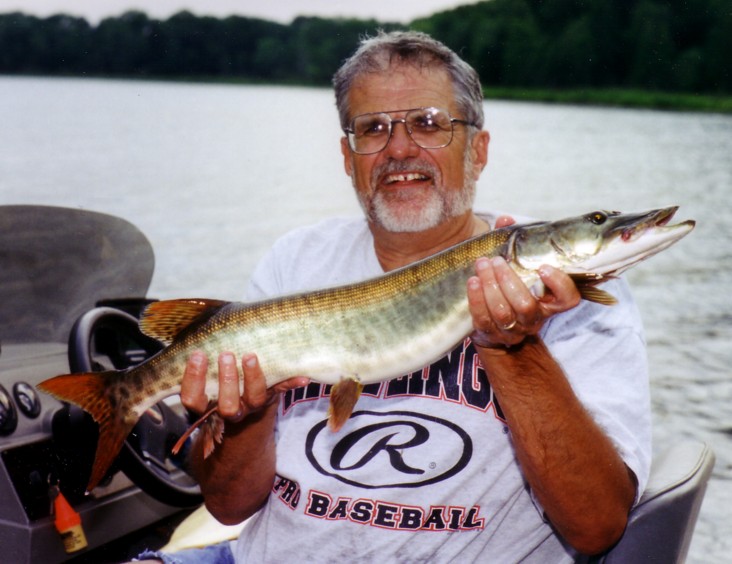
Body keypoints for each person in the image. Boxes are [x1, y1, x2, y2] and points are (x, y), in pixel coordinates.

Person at [137, 30, 651, 563]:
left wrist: (515, 351)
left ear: (478, 148)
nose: (399, 148)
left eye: (428, 123)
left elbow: (598, 526)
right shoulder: (295, 261)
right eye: (373, 128)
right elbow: (227, 507)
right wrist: (247, 415)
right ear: (347, 155)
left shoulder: (573, 300)